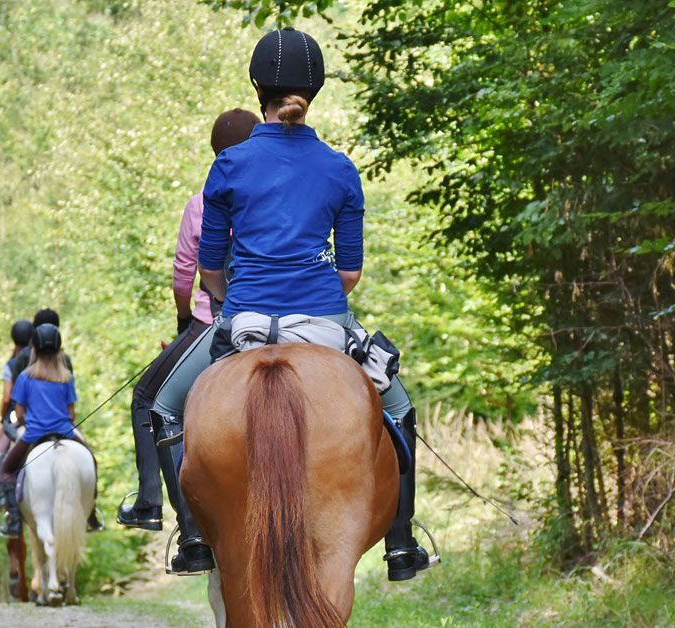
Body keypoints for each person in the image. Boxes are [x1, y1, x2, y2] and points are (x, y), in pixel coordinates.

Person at [150, 28, 434, 581]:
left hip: (245, 319)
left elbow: (210, 269)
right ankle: (401, 544)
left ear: (258, 88)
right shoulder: (339, 168)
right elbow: (349, 273)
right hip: (325, 320)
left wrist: (237, 301)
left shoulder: (229, 165)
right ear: (315, 90)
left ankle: (192, 539)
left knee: (164, 407)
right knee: (398, 410)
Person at [117, 109, 261, 536]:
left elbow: (186, 275)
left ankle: (167, 513)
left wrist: (185, 318)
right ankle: (398, 531)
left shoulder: (202, 203)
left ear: (216, 152)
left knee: (148, 398)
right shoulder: (273, 196)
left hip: (216, 321)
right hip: (288, 314)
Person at [0, 323, 101, 538]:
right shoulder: (66, 377)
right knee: (91, 462)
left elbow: (20, 412)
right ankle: (91, 513)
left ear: (33, 348)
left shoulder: (25, 377)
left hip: (34, 434)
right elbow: (71, 414)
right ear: (58, 348)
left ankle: (14, 519)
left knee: (6, 470)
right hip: (65, 431)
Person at [0, 320, 34, 511]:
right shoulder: (46, 360)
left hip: (18, 414)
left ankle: (0, 495)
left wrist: (2, 419)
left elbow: (7, 397)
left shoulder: (12, 364)